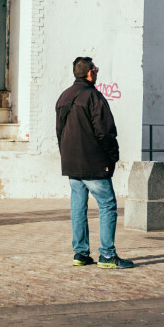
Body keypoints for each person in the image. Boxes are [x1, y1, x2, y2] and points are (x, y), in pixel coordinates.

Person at [56, 57, 134, 269]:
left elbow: (59, 132)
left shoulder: (64, 96)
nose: (97, 73)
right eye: (96, 69)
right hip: (93, 163)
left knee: (78, 208)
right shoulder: (94, 96)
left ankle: (80, 253)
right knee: (107, 206)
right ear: (90, 73)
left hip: (72, 163)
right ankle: (107, 255)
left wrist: (66, 155)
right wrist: (113, 157)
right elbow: (105, 131)